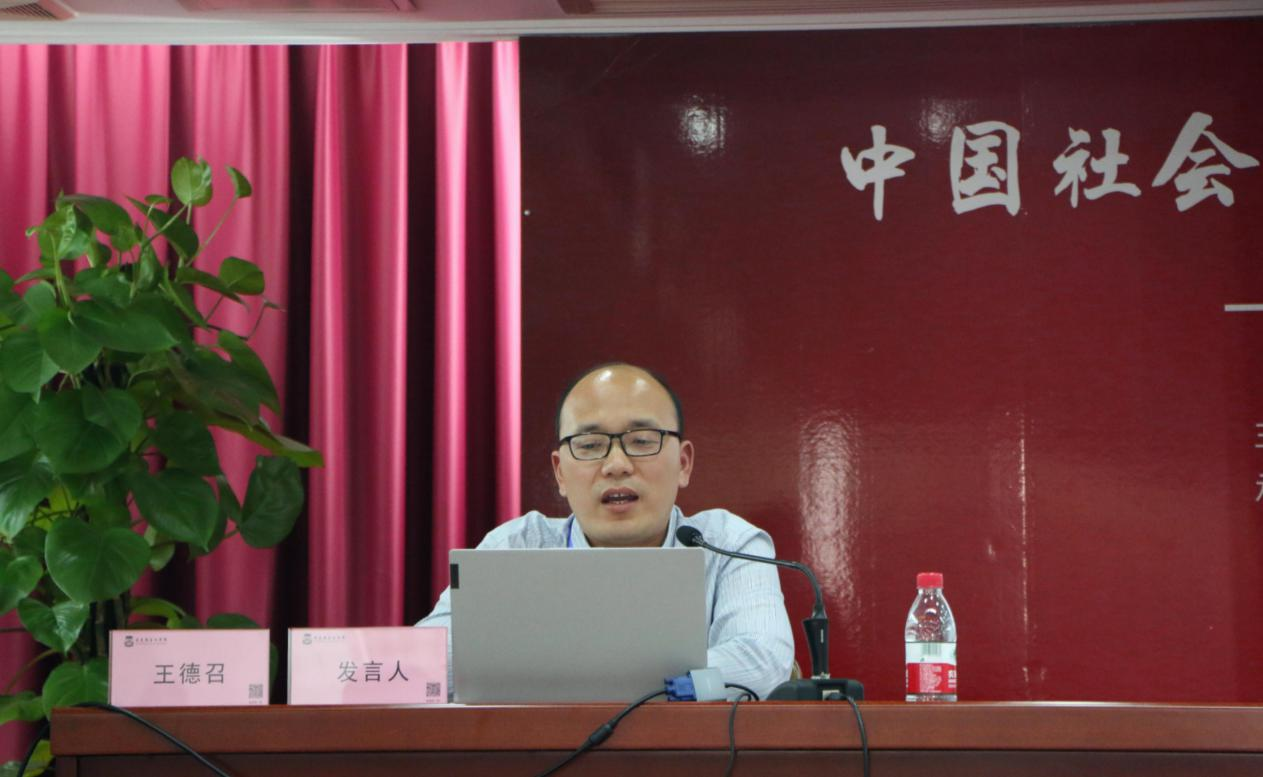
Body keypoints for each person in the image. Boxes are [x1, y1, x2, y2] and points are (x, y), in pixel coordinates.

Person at [417, 362, 795, 699]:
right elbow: (421, 665)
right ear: (560, 473)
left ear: (683, 463)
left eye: (642, 441)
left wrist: (566, 677)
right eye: (590, 444)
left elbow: (761, 661)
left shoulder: (728, 545)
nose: (616, 464)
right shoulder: (516, 546)